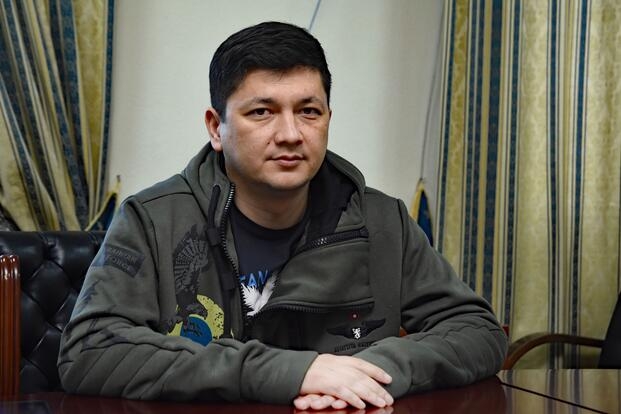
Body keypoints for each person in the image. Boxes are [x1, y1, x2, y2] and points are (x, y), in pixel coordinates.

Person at [58, 21, 507, 411]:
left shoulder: (380, 220)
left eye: (309, 111)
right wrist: (292, 372)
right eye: (262, 112)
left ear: (328, 118)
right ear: (216, 127)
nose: (290, 134)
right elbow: (89, 351)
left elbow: (478, 331)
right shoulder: (151, 220)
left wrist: (374, 370)